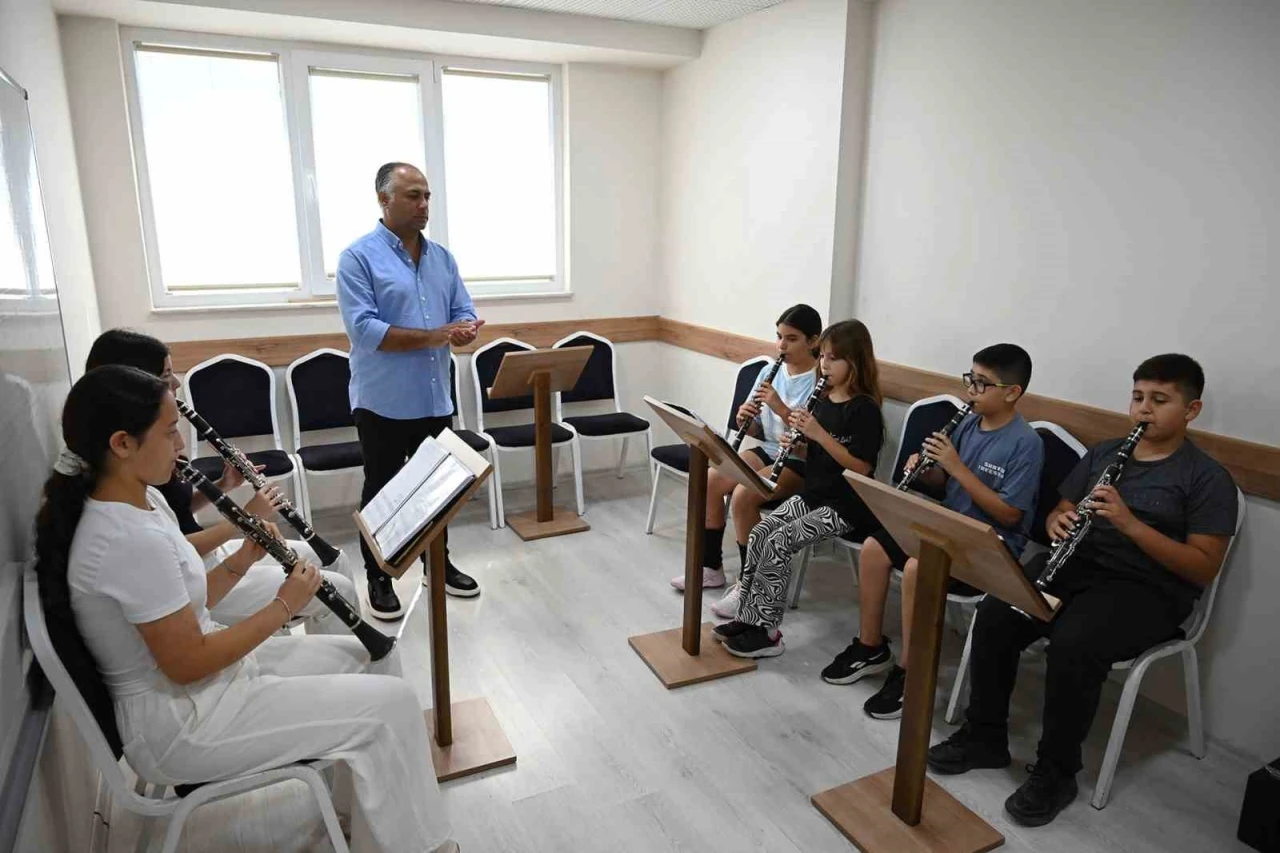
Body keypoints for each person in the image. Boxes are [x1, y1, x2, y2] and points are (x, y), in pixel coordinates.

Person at [36, 365, 457, 853]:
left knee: (374, 659)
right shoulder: (123, 540)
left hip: (205, 691)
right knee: (393, 704)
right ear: (122, 443)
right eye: (170, 433)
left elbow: (188, 604)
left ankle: (359, 817)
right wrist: (284, 604)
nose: (181, 445)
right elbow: (187, 661)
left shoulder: (141, 499)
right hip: (186, 725)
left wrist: (242, 559)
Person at [927, 354, 1238, 828]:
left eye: (1159, 400)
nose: (1144, 409)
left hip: (1146, 590)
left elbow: (1203, 567)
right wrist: (1059, 522)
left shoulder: (1206, 478)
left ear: (1191, 410)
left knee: (1074, 642)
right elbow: (1060, 510)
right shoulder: (1106, 453)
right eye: (1138, 397)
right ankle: (985, 737)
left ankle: (1056, 772)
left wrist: (1130, 525)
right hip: (1078, 568)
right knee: (997, 612)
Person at [84, 329, 360, 635]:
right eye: (166, 376)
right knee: (337, 587)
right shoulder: (133, 464)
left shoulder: (144, 452)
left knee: (336, 562)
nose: (176, 384)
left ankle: (339, 646)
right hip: (193, 574)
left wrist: (225, 484)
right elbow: (169, 549)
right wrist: (247, 519)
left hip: (205, 556)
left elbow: (178, 511)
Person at [822, 344, 1044, 721]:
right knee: (874, 548)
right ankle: (871, 646)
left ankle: (913, 672)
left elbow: (1010, 515)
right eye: (970, 379)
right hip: (947, 525)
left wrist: (955, 467)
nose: (971, 390)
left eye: (982, 383)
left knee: (915, 568)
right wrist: (928, 472)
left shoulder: (1026, 443)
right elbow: (946, 485)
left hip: (990, 545)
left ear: (1012, 393)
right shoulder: (968, 423)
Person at [337, 162, 484, 619]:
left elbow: (463, 311)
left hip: (434, 396)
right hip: (383, 400)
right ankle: (379, 574)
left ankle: (435, 563)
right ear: (384, 200)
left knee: (437, 488)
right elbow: (365, 330)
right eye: (413, 195)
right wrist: (436, 335)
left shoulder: (442, 258)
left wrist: (464, 331)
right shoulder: (357, 258)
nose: (423, 204)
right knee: (383, 490)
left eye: (427, 196)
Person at [714, 319, 886, 658]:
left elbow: (862, 468)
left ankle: (767, 633)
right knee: (761, 532)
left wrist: (818, 434)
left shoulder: (864, 409)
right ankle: (748, 616)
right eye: (822, 356)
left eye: (833, 358)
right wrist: (801, 447)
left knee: (779, 541)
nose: (824, 364)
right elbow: (820, 456)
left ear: (855, 361)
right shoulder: (823, 400)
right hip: (815, 494)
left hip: (847, 504)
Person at [671, 304, 822, 618]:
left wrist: (779, 407)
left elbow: (812, 438)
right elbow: (760, 430)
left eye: (791, 339)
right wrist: (746, 421)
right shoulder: (770, 372)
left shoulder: (820, 380)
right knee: (712, 479)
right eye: (779, 336)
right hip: (769, 448)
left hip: (801, 460)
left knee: (744, 495)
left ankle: (749, 584)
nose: (781, 345)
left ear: (813, 341)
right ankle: (711, 567)